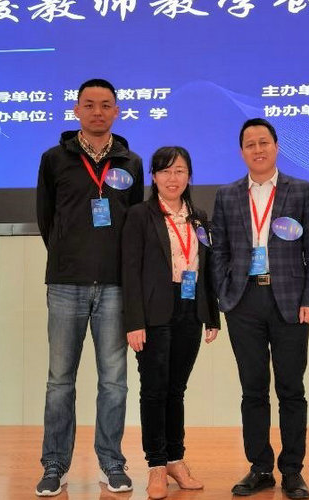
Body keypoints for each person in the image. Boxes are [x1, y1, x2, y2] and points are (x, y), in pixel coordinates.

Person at [35, 78, 143, 496]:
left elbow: (135, 224)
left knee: (114, 381)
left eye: (106, 105)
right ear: (77, 110)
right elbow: (46, 218)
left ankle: (111, 462)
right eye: (90, 104)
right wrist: (69, 254)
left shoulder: (131, 162)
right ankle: (54, 464)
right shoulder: (53, 159)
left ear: (117, 111)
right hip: (66, 283)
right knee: (59, 381)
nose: (98, 112)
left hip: (115, 285)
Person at [211, 119, 309, 499]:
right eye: (250, 144)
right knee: (253, 389)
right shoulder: (227, 195)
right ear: (241, 151)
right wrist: (225, 294)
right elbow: (219, 251)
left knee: (292, 389)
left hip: (290, 302)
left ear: (276, 146)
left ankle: (292, 470)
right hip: (244, 302)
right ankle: (260, 467)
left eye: (264, 142)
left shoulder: (302, 191)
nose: (257, 149)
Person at [122, 146, 220, 499]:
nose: (172, 178)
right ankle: (156, 465)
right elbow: (130, 271)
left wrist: (211, 315)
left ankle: (176, 460)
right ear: (154, 177)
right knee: (154, 390)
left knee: (176, 389)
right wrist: (134, 321)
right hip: (153, 312)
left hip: (190, 310)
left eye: (179, 171)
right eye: (165, 171)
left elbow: (207, 268)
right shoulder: (140, 215)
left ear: (189, 176)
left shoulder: (199, 217)